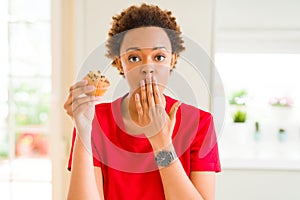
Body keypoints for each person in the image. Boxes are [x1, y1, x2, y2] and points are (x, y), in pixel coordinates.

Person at [64, 4, 221, 200]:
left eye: (159, 57)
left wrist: (162, 145)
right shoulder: (95, 120)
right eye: (134, 57)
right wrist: (83, 132)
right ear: (120, 63)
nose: (147, 67)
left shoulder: (200, 123)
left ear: (172, 60)